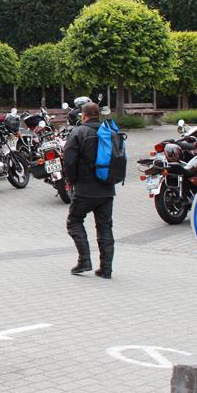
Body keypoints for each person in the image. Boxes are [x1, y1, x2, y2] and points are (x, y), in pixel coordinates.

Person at [62, 102, 116, 278]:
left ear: (83, 116)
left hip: (85, 189)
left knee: (74, 221)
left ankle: (84, 260)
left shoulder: (79, 132)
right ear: (98, 115)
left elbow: (69, 161)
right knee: (105, 226)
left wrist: (71, 181)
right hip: (107, 188)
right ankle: (106, 268)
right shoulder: (109, 131)